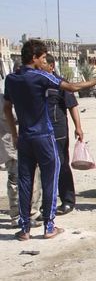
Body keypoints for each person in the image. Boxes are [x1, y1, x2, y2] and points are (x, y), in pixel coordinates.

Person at [3, 39, 96, 240]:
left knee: (25, 181)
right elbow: (71, 87)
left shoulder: (11, 79)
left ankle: (25, 229)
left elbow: (6, 108)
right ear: (35, 57)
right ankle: (49, 227)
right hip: (44, 136)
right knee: (49, 180)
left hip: (25, 138)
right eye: (43, 57)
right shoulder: (42, 76)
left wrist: (14, 134)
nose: (45, 61)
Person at [1, 61, 43, 227]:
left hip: (29, 139)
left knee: (34, 177)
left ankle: (33, 211)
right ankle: (17, 215)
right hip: (12, 143)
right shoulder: (7, 94)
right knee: (15, 179)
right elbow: (10, 114)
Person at [43, 54, 82, 215]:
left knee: (61, 164)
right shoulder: (35, 83)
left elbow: (72, 105)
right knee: (43, 167)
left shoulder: (60, 84)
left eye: (43, 63)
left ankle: (67, 200)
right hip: (40, 132)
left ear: (51, 66)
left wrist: (78, 127)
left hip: (58, 130)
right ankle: (43, 203)